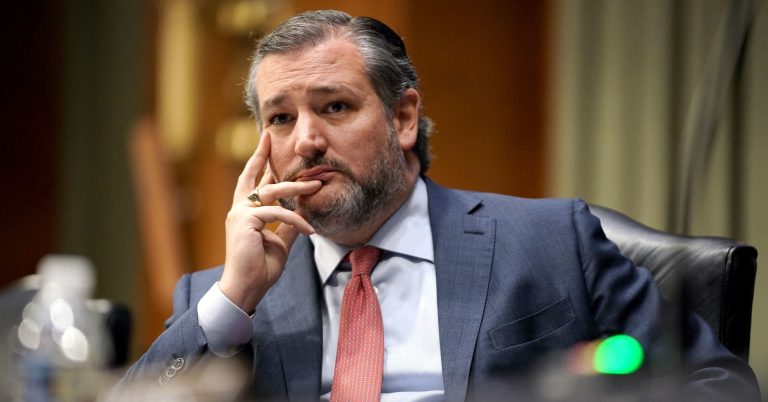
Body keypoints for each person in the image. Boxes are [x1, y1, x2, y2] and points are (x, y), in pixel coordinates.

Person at [120, 10, 759, 401]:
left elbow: (717, 384)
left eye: (334, 106)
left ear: (403, 118)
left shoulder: (550, 240)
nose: (306, 140)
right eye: (281, 118)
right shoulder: (227, 300)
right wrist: (234, 299)